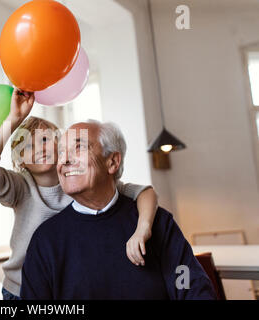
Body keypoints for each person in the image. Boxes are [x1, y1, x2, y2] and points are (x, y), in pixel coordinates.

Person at [0, 89, 159, 300]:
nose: (39, 149)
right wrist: (13, 119)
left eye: (44, 140)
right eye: (28, 146)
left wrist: (143, 228)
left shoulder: (81, 182)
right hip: (21, 288)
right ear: (20, 160)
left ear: (61, 144)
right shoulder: (20, 187)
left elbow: (145, 193)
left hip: (66, 284)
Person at [20, 121, 217, 300]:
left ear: (112, 162)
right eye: (61, 153)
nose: (64, 161)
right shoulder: (45, 240)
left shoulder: (159, 224)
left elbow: (189, 285)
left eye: (78, 147)